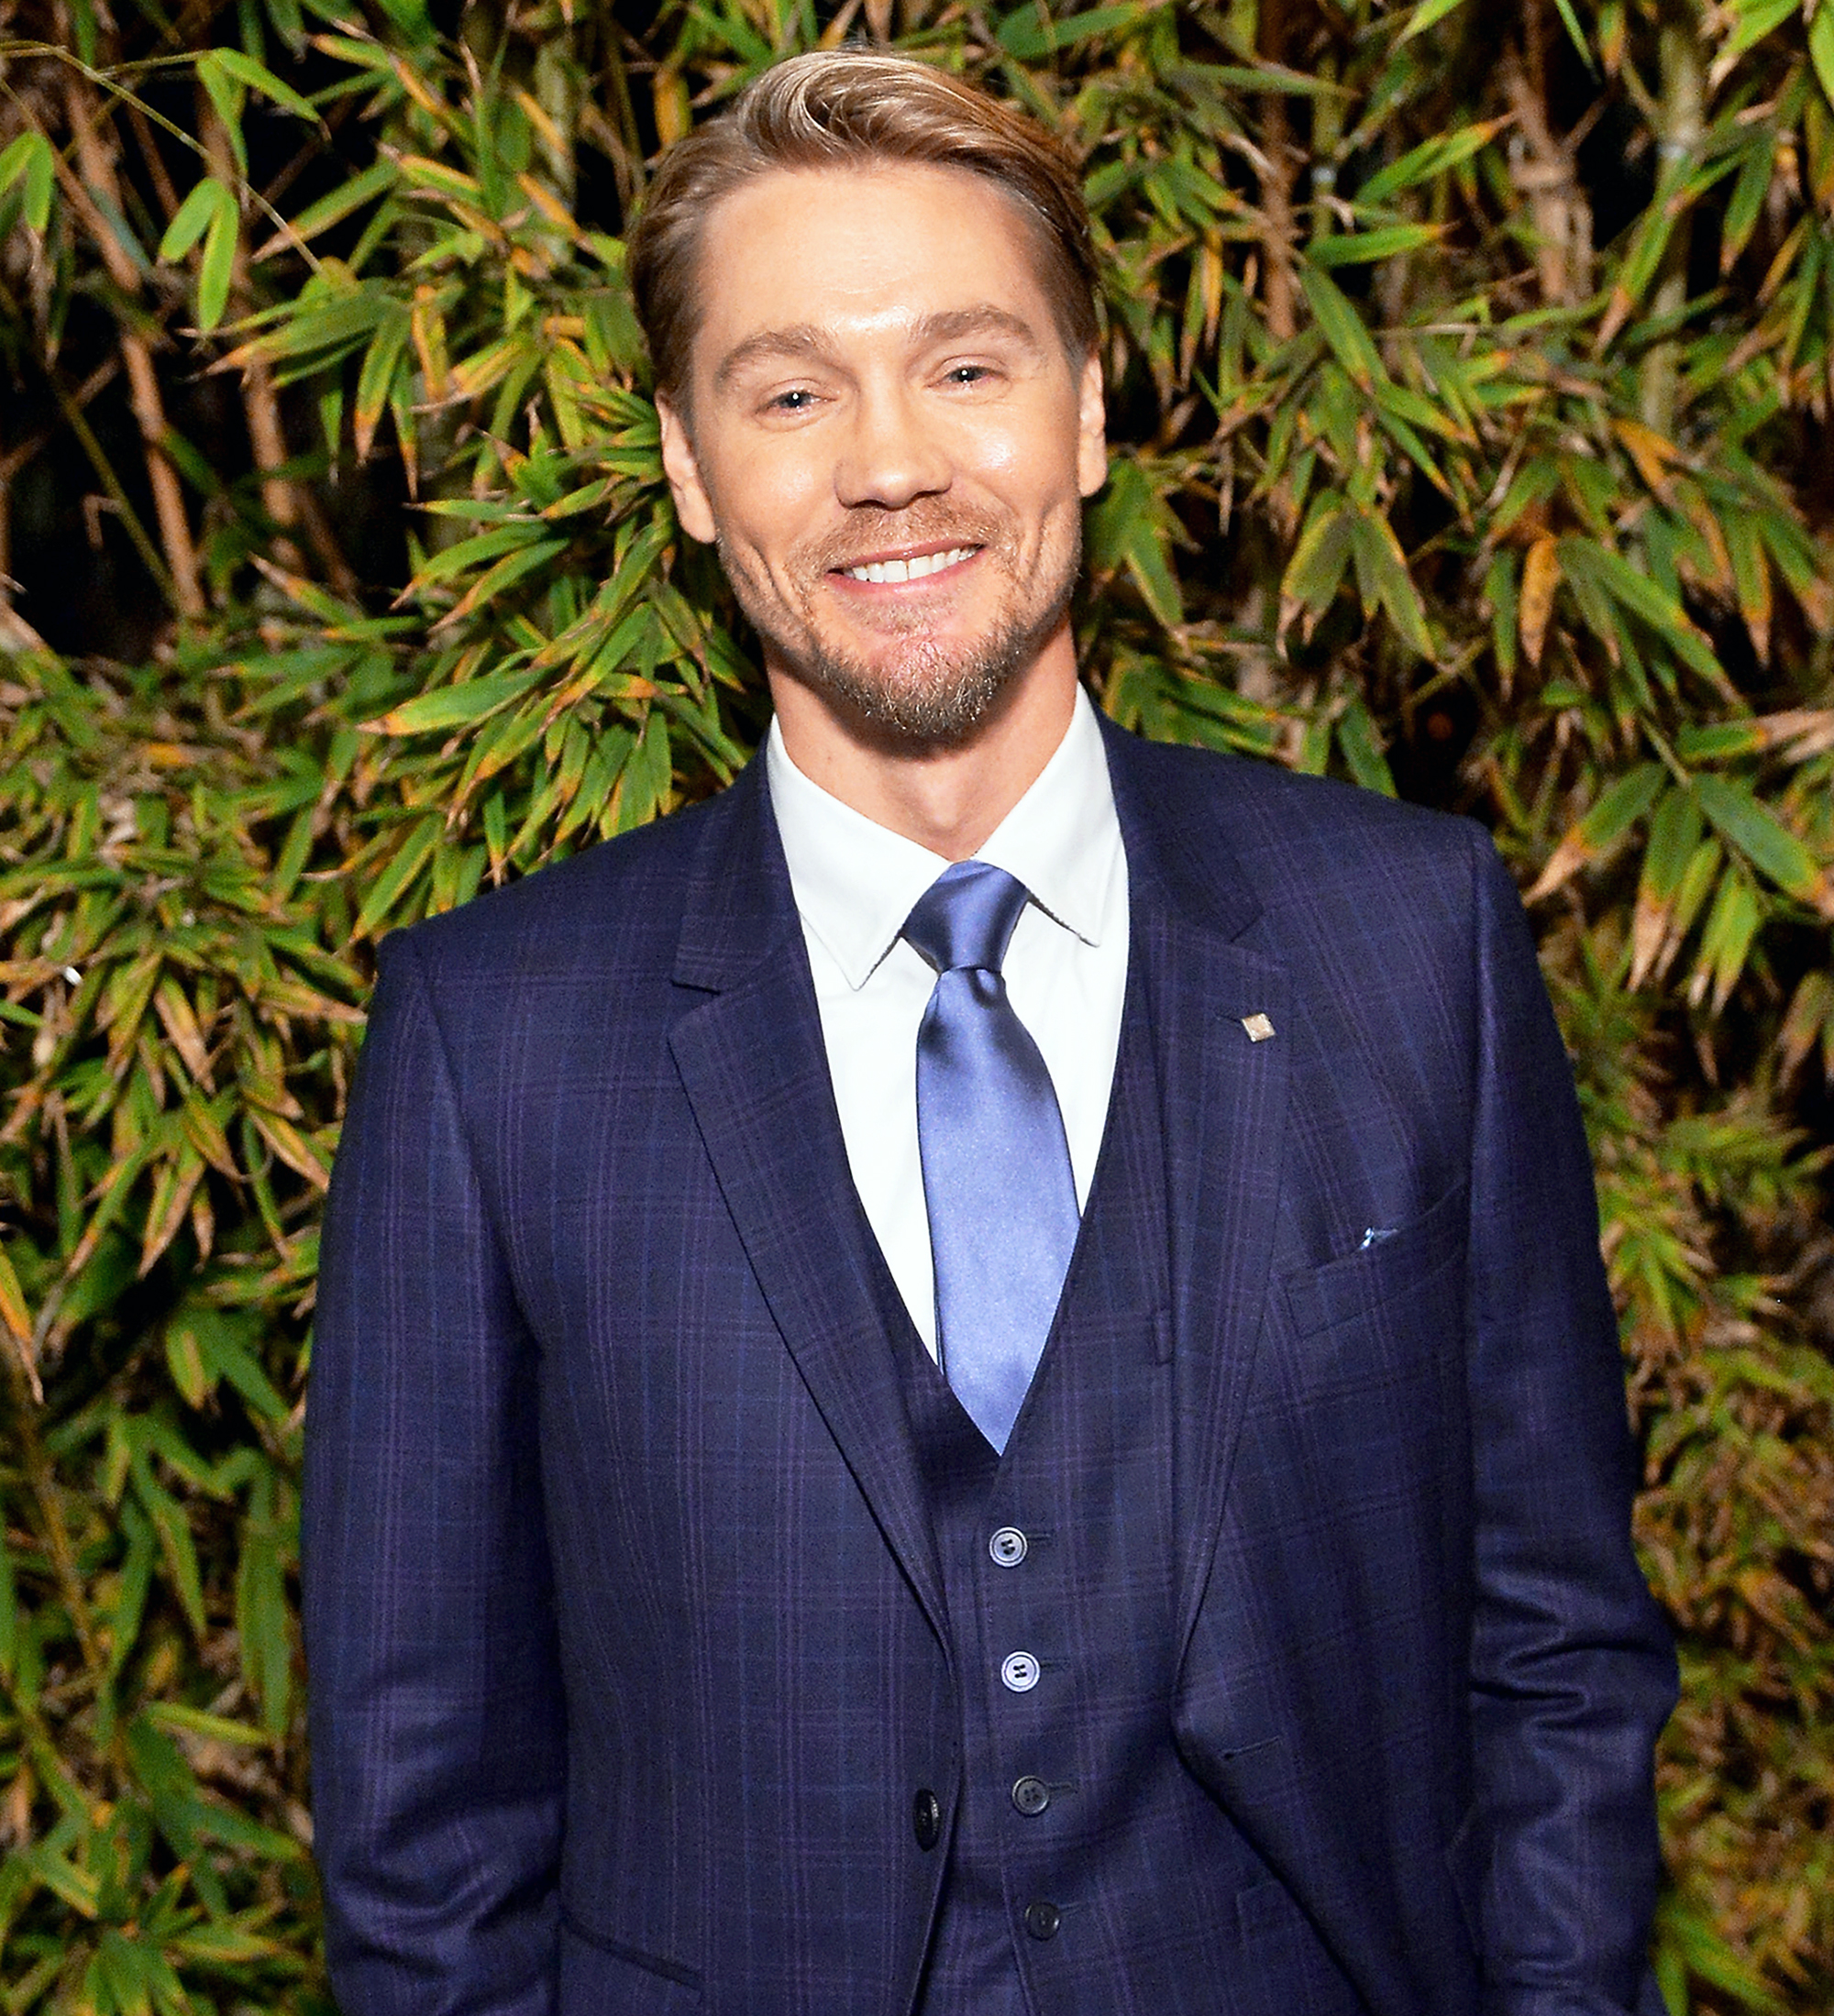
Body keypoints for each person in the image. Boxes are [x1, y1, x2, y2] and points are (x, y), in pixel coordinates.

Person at [302, 50, 1677, 2016]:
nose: (890, 464)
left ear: (1088, 409)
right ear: (687, 465)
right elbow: (421, 1812)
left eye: (965, 365)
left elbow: (1556, 1654)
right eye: (790, 393)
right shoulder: (490, 1036)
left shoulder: (1407, 938)